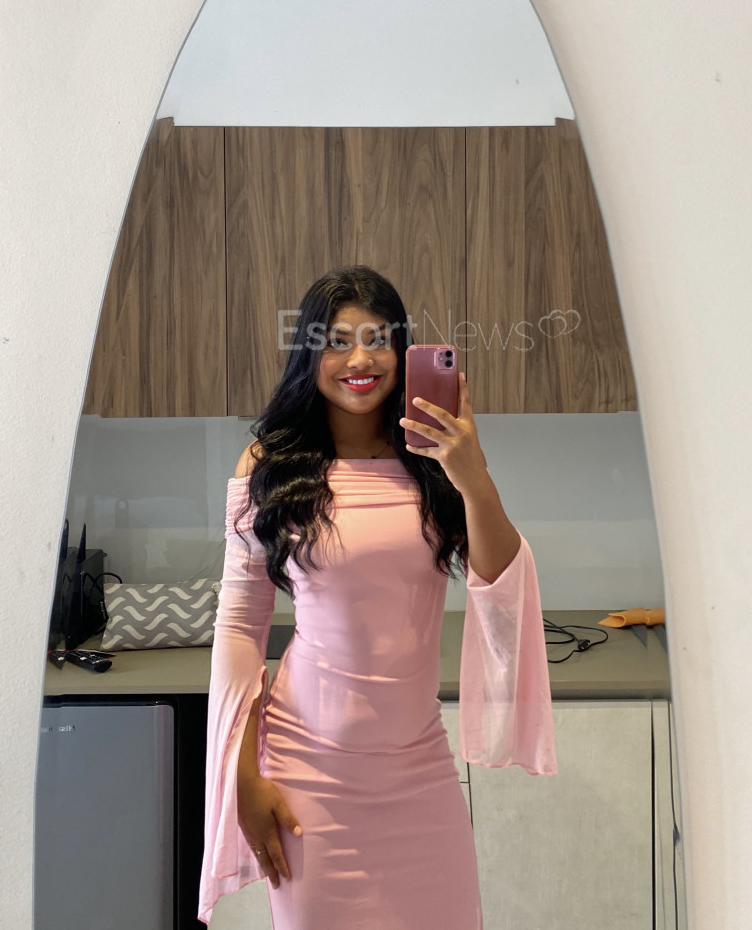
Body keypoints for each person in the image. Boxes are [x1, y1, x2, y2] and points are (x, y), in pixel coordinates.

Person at [198, 264, 556, 929]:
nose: (359, 360)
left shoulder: (434, 462)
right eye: (337, 342)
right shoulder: (270, 466)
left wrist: (472, 473)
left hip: (419, 771)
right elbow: (241, 627)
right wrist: (240, 778)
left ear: (402, 350)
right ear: (309, 354)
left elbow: (501, 579)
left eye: (378, 340)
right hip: (307, 775)